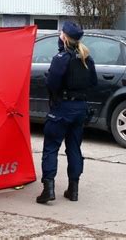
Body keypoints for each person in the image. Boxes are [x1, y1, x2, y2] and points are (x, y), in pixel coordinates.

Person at [36, 21, 97, 204]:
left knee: (51, 148)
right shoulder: (86, 57)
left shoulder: (61, 58)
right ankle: (73, 190)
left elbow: (52, 84)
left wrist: (52, 81)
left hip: (62, 108)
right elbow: (93, 82)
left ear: (64, 37)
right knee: (74, 148)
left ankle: (48, 189)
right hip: (79, 108)